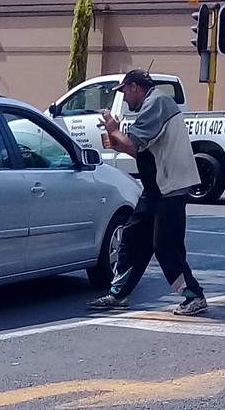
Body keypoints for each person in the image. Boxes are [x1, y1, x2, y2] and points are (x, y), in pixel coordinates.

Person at [87, 69, 208, 316]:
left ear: (134, 87)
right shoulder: (152, 105)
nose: (124, 97)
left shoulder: (157, 102)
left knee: (165, 246)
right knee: (133, 236)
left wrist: (113, 128)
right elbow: (138, 151)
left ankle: (194, 295)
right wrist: (114, 135)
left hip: (170, 187)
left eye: (123, 91)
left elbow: (133, 142)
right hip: (156, 188)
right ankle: (118, 294)